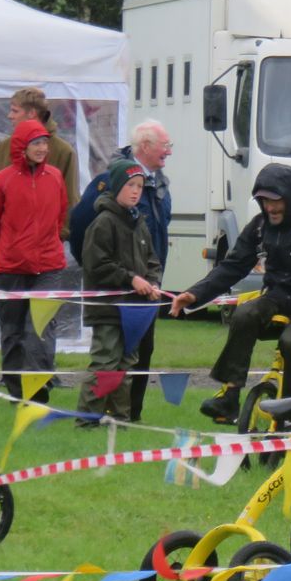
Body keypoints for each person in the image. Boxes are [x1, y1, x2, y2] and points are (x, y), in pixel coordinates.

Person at [169, 163, 291, 422]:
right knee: (243, 314)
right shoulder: (260, 225)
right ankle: (229, 397)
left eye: (276, 201)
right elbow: (232, 266)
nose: (270, 207)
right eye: (263, 200)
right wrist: (194, 295)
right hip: (277, 300)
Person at [73, 120, 173, 420]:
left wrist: (152, 281)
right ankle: (87, 419)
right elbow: (96, 261)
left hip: (139, 303)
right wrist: (131, 278)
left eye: (139, 187)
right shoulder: (102, 221)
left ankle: (123, 419)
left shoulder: (139, 220)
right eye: (131, 186)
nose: (136, 192)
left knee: (128, 363)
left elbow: (152, 256)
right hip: (108, 304)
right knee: (105, 362)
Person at [0, 118, 69, 403]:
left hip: (49, 265)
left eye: (45, 142)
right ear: (22, 145)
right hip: (11, 266)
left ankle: (37, 385)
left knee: (42, 326)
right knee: (13, 330)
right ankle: (16, 388)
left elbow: (60, 215)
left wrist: (48, 244)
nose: (43, 148)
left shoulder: (55, 177)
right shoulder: (0, 180)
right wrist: (6, 250)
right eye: (36, 143)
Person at [0, 87, 79, 224]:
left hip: (47, 241)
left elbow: (70, 201)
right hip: (9, 241)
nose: (9, 116)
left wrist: (58, 235)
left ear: (31, 113)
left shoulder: (63, 152)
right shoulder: (1, 150)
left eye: (15, 111)